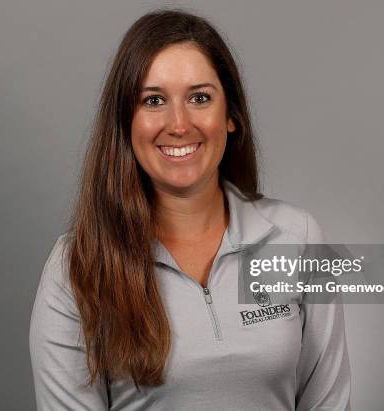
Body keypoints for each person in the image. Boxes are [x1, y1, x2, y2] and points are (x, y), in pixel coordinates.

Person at [29, 8, 351, 410]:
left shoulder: (299, 238)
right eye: (154, 100)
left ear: (231, 115)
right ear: (126, 121)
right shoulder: (77, 265)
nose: (178, 124)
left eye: (199, 98)